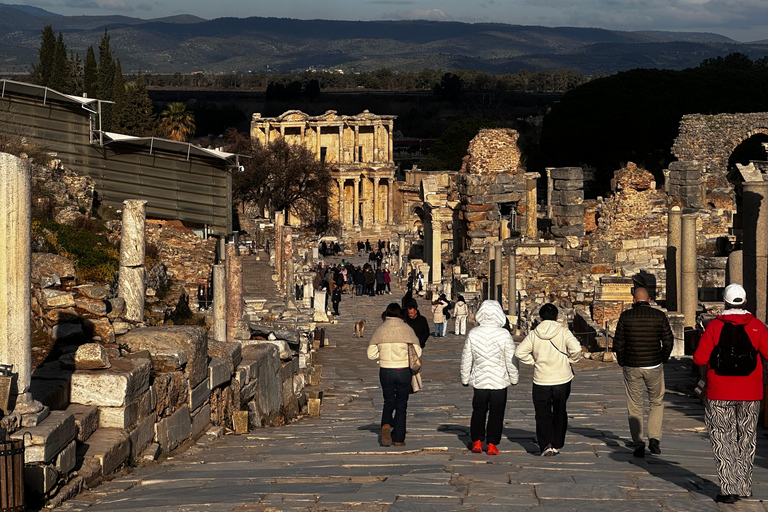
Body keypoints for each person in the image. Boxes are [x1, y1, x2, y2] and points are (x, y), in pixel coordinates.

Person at [693, 283, 768, 504]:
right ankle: (744, 486)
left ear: (724, 302)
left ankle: (728, 488)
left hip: (719, 391)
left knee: (722, 438)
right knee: (746, 438)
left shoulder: (714, 326)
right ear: (745, 302)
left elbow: (699, 359)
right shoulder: (757, 326)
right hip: (751, 391)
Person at [612, 287, 674, 458]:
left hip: (632, 365)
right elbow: (669, 341)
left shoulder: (626, 316)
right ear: (649, 300)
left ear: (633, 300)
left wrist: (623, 361)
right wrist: (662, 358)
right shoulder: (659, 316)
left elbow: (618, 343)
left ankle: (638, 442)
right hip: (654, 365)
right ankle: (654, 438)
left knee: (634, 405)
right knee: (656, 402)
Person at [515, 303, 582, 456]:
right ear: (557, 316)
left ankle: (546, 444)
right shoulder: (563, 332)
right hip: (562, 378)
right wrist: (570, 360)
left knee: (542, 413)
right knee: (560, 411)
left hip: (541, 379)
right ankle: (557, 443)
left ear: (540, 317)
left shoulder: (534, 333)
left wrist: (533, 362)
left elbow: (519, 352)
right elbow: (576, 349)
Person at [460, 300, 519, 455]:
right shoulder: (504, 334)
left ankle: (477, 441)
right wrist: (514, 378)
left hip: (479, 381)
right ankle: (492, 443)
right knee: (496, 413)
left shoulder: (474, 333)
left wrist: (465, 378)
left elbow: (466, 358)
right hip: (499, 381)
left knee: (478, 410)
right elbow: (511, 359)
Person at [367, 303, 421, 447]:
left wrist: (381, 354)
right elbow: (418, 352)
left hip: (386, 370)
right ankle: (399, 438)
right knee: (402, 405)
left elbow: (370, 354)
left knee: (389, 400)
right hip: (403, 370)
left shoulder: (380, 330)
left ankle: (385, 424)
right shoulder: (407, 329)